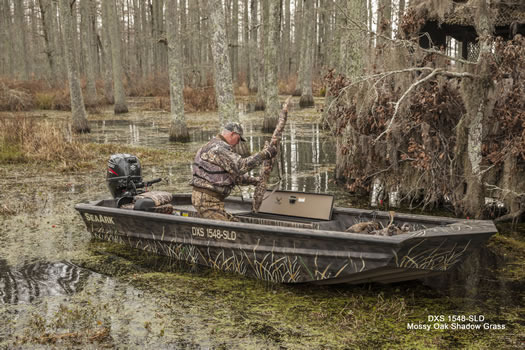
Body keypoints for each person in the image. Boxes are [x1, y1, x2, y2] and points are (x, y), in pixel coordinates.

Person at [190, 122, 277, 221]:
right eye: (238, 139)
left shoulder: (213, 145)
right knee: (228, 230)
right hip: (207, 201)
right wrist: (265, 154)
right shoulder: (219, 148)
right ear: (232, 134)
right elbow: (240, 166)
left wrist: (254, 181)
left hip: (208, 199)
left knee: (235, 223)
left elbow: (234, 176)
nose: (238, 143)